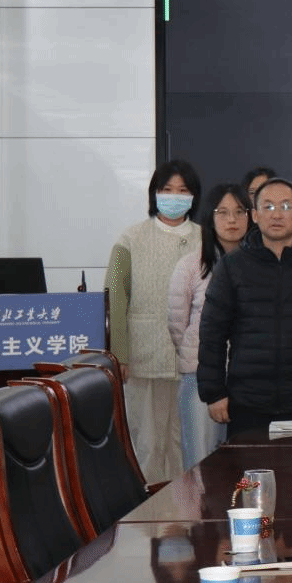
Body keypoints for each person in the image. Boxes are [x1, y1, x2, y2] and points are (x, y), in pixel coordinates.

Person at [197, 178, 292, 437]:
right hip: (246, 400)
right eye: (268, 207)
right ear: (255, 215)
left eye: (286, 206)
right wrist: (213, 392)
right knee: (246, 465)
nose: (277, 214)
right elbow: (212, 332)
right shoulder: (232, 266)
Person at [106, 158, 202, 484]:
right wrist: (119, 354)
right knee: (146, 443)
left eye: (183, 190)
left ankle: (186, 509)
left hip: (192, 361)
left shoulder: (205, 238)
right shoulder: (131, 238)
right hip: (142, 358)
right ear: (154, 194)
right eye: (167, 189)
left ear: (194, 197)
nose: (175, 197)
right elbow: (115, 297)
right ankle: (148, 510)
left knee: (185, 444)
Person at [167, 182, 250, 468]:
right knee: (200, 465)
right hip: (200, 376)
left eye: (239, 212)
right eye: (222, 212)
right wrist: (197, 354)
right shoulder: (191, 265)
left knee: (242, 468)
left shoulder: (258, 266)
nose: (232, 220)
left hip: (247, 379)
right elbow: (178, 325)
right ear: (209, 218)